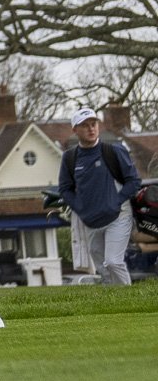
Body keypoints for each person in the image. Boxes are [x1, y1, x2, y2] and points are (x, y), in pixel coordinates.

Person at [58, 106, 142, 285]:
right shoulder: (70, 158)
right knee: (103, 268)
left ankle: (128, 298)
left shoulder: (113, 151)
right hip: (91, 221)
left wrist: (116, 202)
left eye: (93, 124)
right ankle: (113, 302)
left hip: (119, 215)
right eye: (85, 125)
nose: (91, 128)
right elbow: (65, 189)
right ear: (75, 130)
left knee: (113, 261)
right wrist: (80, 209)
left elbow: (133, 181)